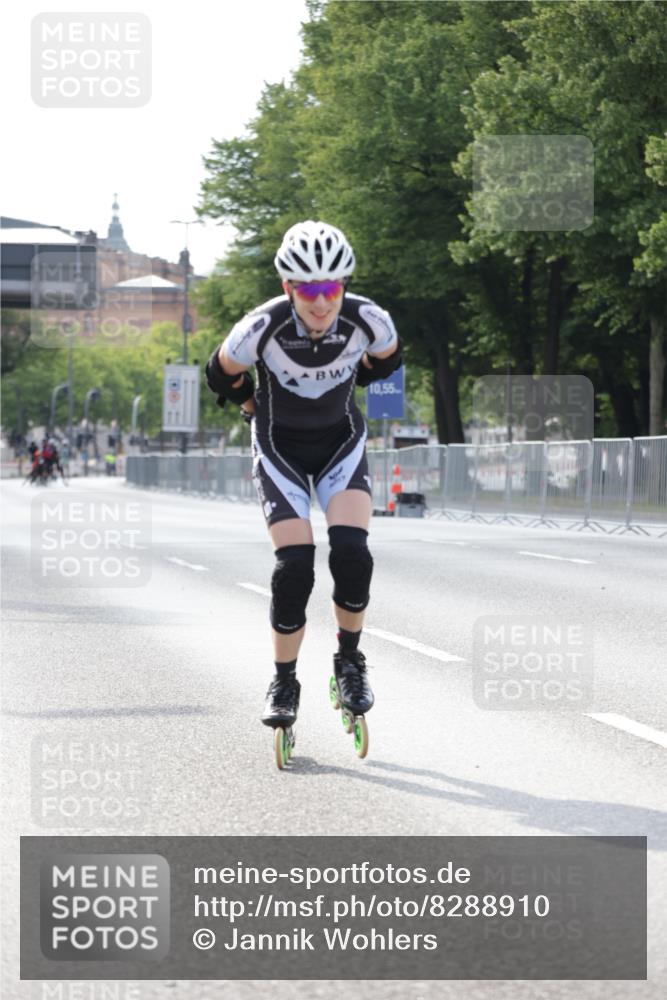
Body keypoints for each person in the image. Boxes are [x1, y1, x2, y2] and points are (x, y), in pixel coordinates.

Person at [205, 220, 402, 731]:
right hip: (280, 449)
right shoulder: (262, 326)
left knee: (352, 554)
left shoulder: (369, 320)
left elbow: (388, 359)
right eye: (308, 290)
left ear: (344, 286)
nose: (321, 302)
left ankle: (349, 661)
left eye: (332, 288)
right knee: (295, 567)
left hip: (340, 443)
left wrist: (355, 377)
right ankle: (284, 678)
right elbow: (218, 371)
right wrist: (250, 402)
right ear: (287, 288)